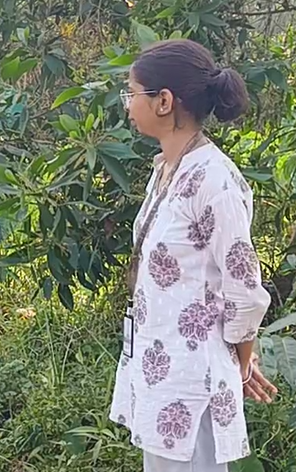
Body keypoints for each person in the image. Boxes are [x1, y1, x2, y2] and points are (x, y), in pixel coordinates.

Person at [109, 38, 279, 472]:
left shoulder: (215, 182)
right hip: (160, 368)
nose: (127, 104)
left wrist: (241, 364)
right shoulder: (167, 168)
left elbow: (244, 289)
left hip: (192, 380)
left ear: (164, 101)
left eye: (133, 92)